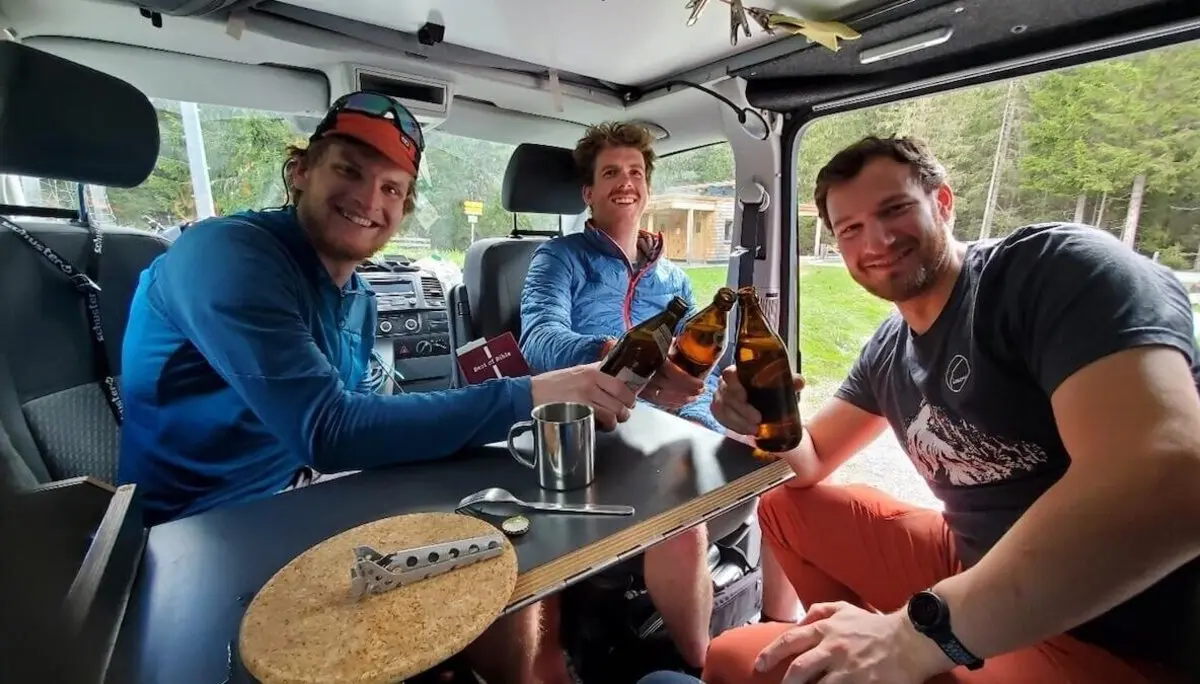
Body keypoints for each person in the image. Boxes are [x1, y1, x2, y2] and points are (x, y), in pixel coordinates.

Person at [117, 91, 637, 684]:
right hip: (195, 535)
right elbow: (330, 429)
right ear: (301, 171)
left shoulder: (357, 298)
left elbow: (374, 409)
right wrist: (530, 393)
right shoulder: (226, 256)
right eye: (349, 170)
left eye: (392, 188)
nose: (369, 199)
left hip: (306, 498)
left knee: (495, 543)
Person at [700, 135, 1200, 684]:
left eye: (895, 210)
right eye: (851, 229)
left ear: (942, 203)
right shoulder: (890, 347)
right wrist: (766, 421)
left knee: (730, 658)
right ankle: (853, 647)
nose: (879, 239)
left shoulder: (1051, 271)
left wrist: (911, 640)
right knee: (783, 508)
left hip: (1111, 626)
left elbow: (1173, 474)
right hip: (974, 561)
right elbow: (812, 459)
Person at [517, 121, 743, 675]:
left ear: (647, 188)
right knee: (682, 513)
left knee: (780, 457)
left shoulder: (676, 279)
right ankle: (705, 666)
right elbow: (539, 339)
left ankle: (781, 627)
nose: (625, 182)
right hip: (604, 418)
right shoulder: (559, 259)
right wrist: (621, 357)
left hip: (683, 421)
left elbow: (700, 366)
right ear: (587, 193)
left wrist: (705, 389)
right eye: (610, 172)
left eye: (636, 172)